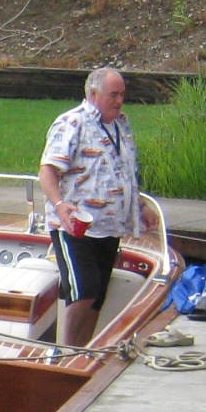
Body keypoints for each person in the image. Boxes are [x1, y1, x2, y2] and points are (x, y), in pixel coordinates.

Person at [37, 66, 141, 347]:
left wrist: (139, 205)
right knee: (83, 290)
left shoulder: (121, 125)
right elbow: (47, 171)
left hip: (110, 225)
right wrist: (59, 205)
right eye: (113, 95)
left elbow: (125, 171)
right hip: (76, 224)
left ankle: (81, 351)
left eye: (122, 95)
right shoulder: (72, 123)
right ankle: (65, 350)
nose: (119, 101)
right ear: (93, 94)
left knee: (97, 296)